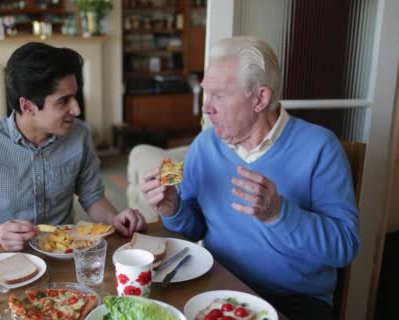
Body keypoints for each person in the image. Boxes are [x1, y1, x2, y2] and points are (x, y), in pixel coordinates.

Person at [141, 36, 359, 320]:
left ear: (260, 98)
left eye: (219, 96)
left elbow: (344, 248)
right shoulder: (206, 145)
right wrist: (173, 209)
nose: (206, 108)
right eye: (207, 94)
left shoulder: (321, 148)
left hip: (293, 301)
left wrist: (278, 213)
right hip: (216, 285)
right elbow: (192, 229)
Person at [0, 42, 146, 252]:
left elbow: (92, 196)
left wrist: (115, 218)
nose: (77, 109)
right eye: (63, 101)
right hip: (8, 259)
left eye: (76, 97)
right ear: (28, 106)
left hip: (66, 255)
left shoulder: (79, 135)